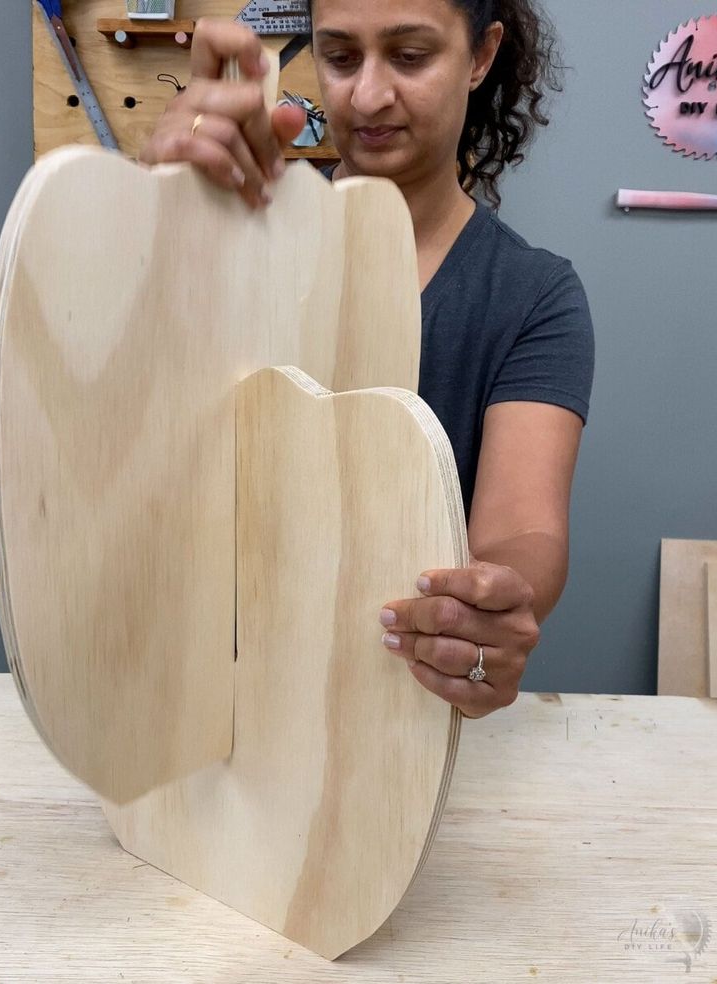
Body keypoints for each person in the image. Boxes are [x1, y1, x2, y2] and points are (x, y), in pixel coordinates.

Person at [139, 0, 594, 721]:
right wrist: (160, 222)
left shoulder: (532, 296)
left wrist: (489, 602)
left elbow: (522, 528)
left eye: (410, 56)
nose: (367, 95)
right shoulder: (236, 246)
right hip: (207, 708)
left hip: (391, 725)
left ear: (481, 56)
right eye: (341, 57)